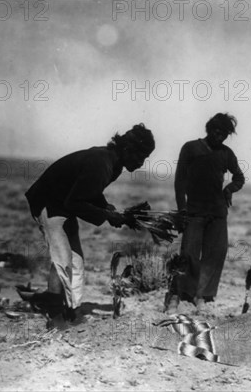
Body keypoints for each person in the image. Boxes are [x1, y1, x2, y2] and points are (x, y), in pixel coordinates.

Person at [24, 123, 155, 326]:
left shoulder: (112, 163)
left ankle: (68, 309)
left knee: (72, 259)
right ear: (128, 150)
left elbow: (87, 188)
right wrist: (108, 216)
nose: (141, 163)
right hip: (49, 203)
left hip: (62, 203)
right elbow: (75, 202)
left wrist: (105, 206)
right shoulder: (102, 163)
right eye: (141, 157)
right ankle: (57, 316)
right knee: (64, 259)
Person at [167, 113, 245, 314]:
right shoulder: (191, 148)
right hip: (194, 211)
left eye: (225, 133)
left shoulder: (226, 153)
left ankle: (202, 296)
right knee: (188, 254)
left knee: (215, 254)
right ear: (209, 128)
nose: (220, 136)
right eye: (217, 131)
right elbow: (180, 182)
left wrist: (228, 190)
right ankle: (178, 294)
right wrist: (182, 210)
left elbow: (239, 177)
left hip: (218, 212)